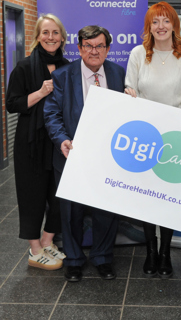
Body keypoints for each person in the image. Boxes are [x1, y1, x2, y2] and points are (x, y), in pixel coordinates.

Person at [44, 25, 125, 282]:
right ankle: (75, 260)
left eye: (99, 46)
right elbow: (52, 114)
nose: (94, 51)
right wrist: (62, 140)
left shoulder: (117, 73)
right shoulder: (63, 76)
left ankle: (102, 258)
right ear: (79, 48)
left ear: (108, 49)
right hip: (71, 155)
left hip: (108, 158)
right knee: (71, 211)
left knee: (106, 210)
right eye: (88, 46)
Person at [125, 1, 181, 278]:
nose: (161, 26)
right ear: (149, 26)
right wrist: (129, 93)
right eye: (155, 22)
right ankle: (150, 251)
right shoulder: (137, 53)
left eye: (166, 21)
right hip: (144, 134)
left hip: (175, 135)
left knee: (168, 195)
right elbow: (130, 87)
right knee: (147, 196)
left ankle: (166, 253)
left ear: (174, 25)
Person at [6, 14, 68, 270]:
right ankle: (34, 250)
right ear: (37, 37)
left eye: (55, 33)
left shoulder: (68, 67)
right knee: (31, 195)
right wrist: (41, 92)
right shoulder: (24, 66)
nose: (50, 37)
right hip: (30, 142)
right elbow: (12, 104)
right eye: (45, 33)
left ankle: (47, 240)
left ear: (63, 38)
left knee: (59, 195)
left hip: (58, 141)